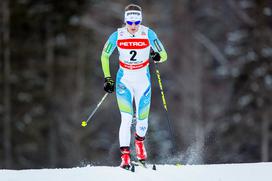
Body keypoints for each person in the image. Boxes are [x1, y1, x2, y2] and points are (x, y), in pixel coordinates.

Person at [100, 3, 167, 169]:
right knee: (127, 118)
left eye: (137, 22)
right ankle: (125, 158)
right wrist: (108, 78)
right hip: (125, 80)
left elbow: (164, 55)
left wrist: (157, 56)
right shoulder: (118, 35)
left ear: (140, 21)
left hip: (143, 81)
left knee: (142, 121)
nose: (133, 26)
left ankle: (139, 143)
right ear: (125, 21)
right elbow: (104, 56)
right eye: (130, 23)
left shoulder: (148, 33)